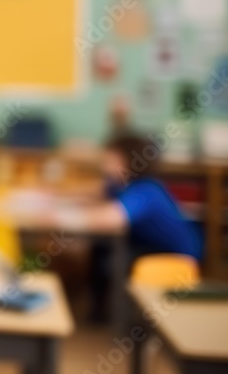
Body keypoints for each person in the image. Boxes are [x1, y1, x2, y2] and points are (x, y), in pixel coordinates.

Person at [87, 132, 204, 321]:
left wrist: (72, 215)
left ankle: (121, 319)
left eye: (110, 160)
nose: (105, 166)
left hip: (173, 254)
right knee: (100, 248)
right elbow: (97, 193)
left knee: (111, 259)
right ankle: (99, 312)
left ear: (129, 162)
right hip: (147, 245)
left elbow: (112, 219)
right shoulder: (122, 185)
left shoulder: (146, 189)